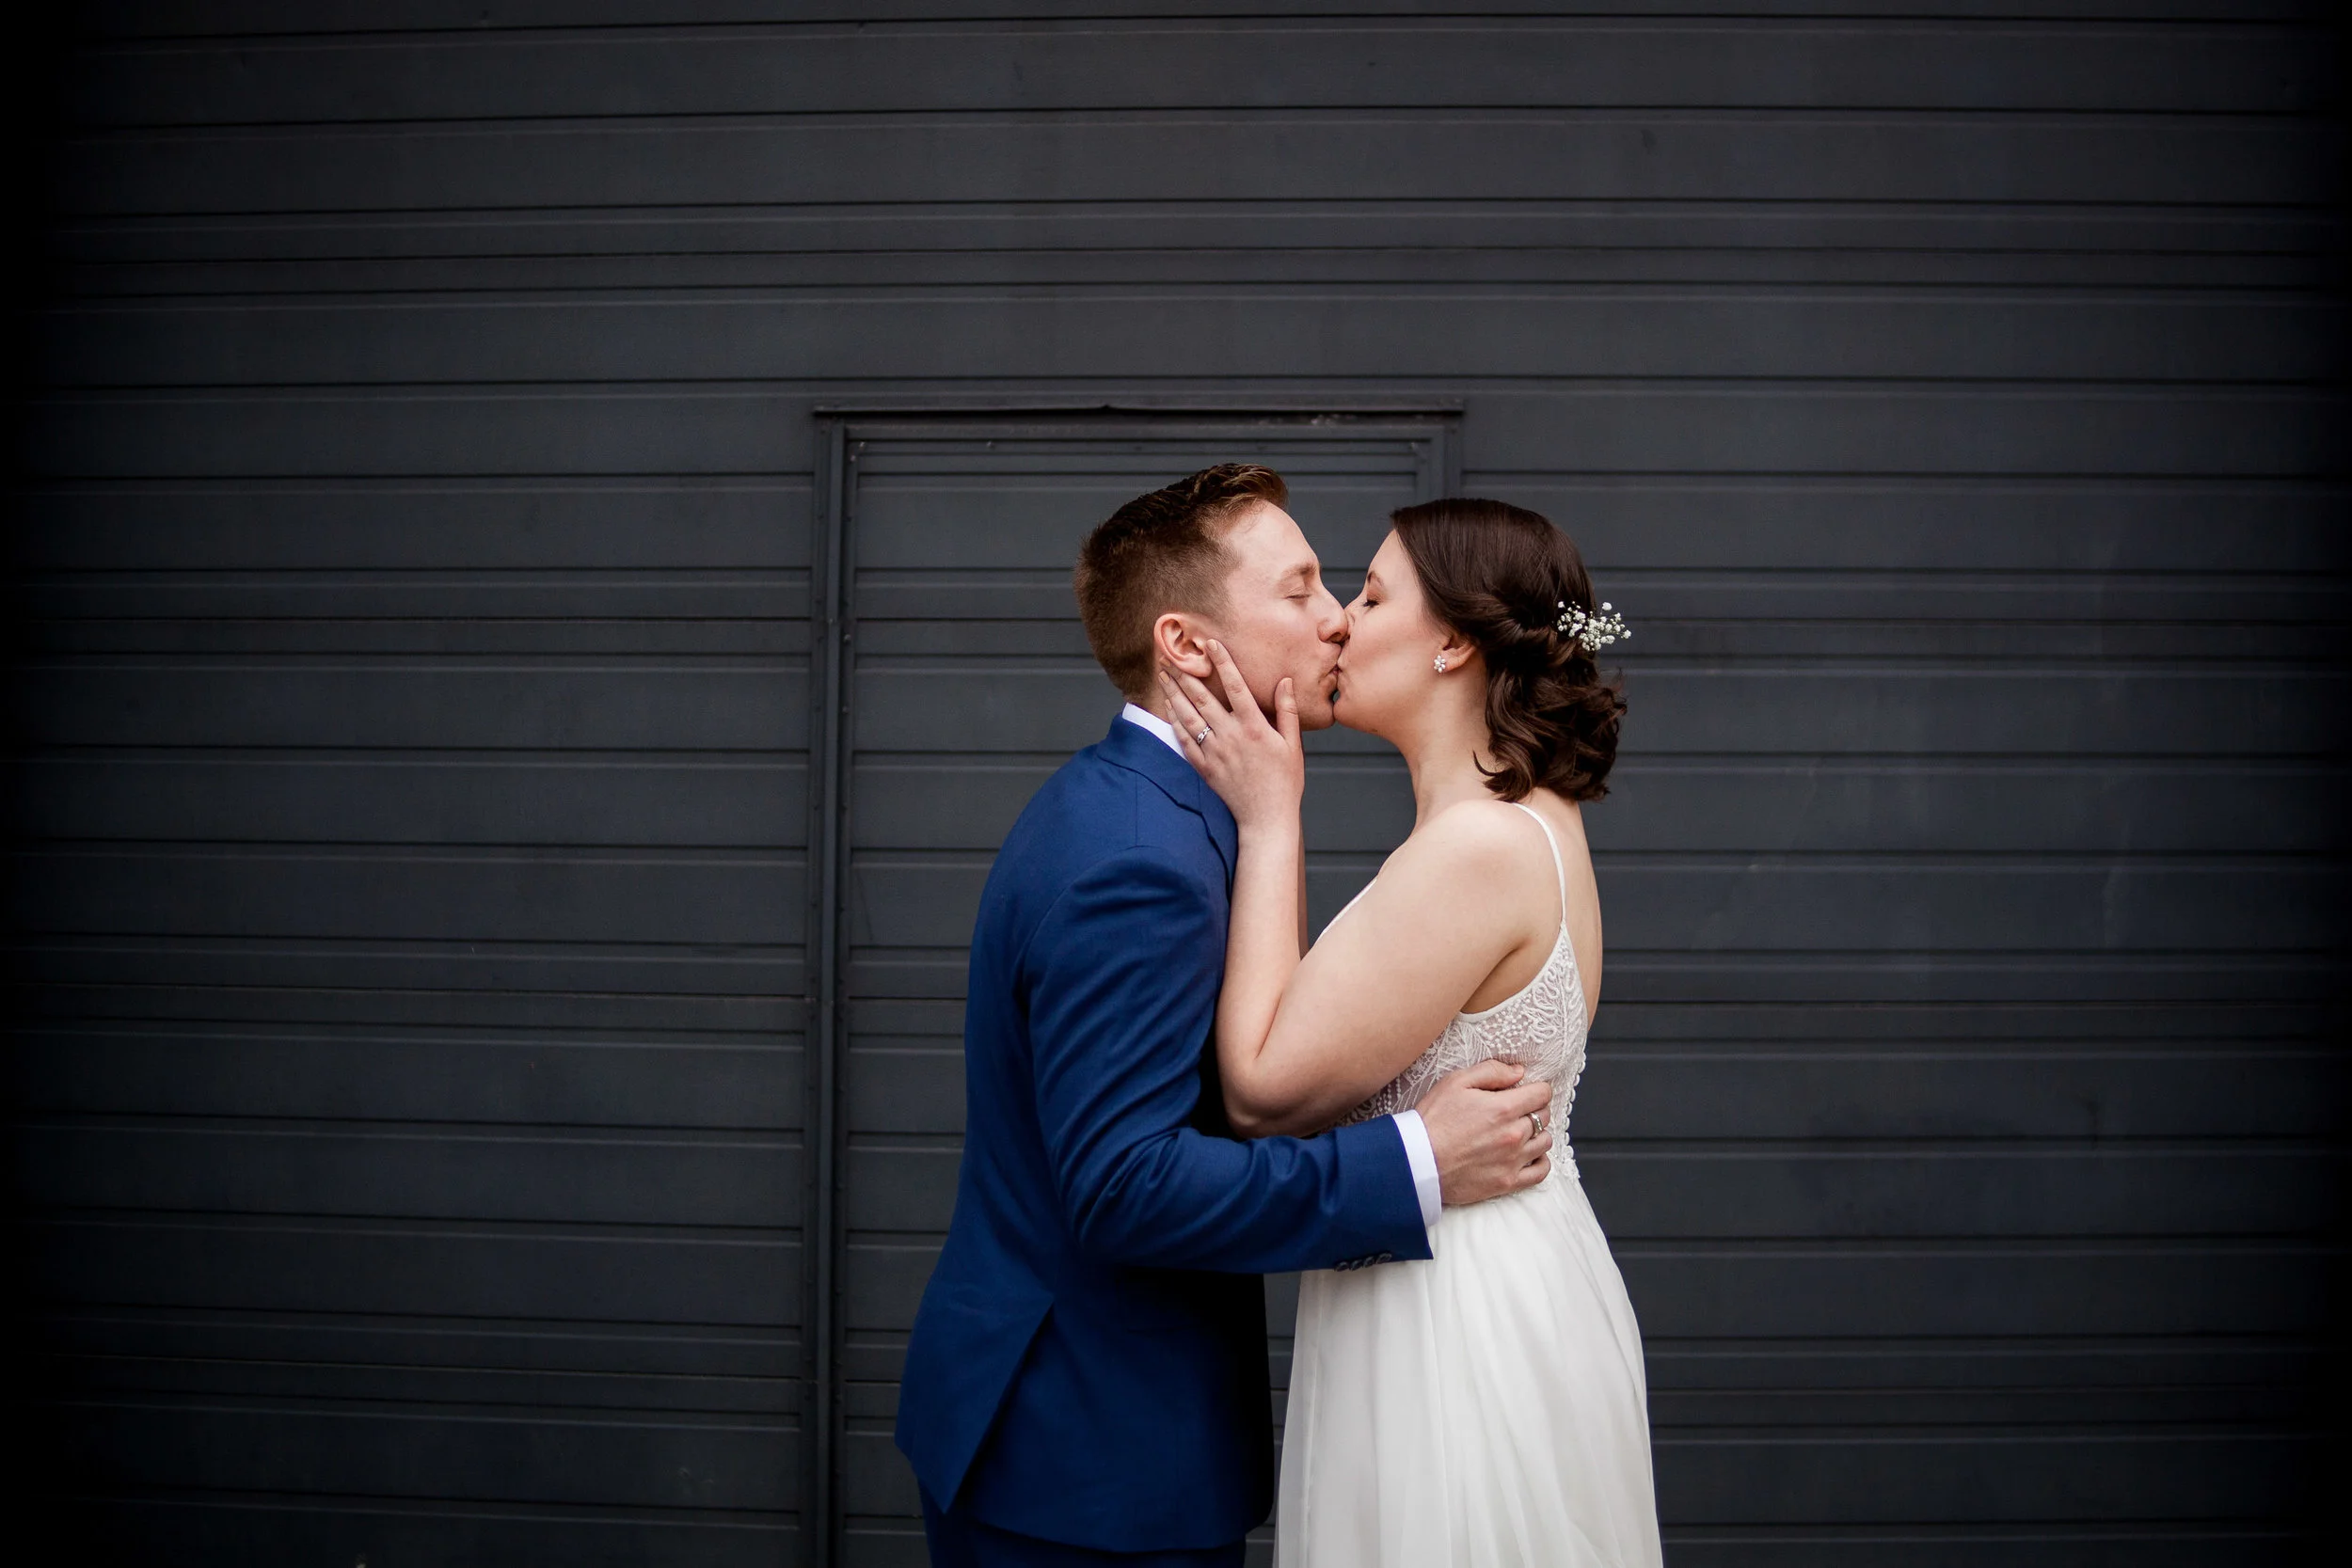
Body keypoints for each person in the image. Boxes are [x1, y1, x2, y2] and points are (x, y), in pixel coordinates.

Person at [895, 466, 1557, 1567]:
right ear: (1188, 645)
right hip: (1083, 1463)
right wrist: (1417, 1161)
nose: (1337, 615)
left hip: (1094, 1442)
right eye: (1298, 588)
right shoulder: (1136, 862)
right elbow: (1124, 1184)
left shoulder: (1176, 814)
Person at [1158, 497, 1665, 1567]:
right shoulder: (1525, 821)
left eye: (1372, 594)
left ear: (1452, 643)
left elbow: (1257, 1086)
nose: (1339, 621)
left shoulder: (1475, 847)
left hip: (1452, 1316)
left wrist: (1270, 812)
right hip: (1502, 1271)